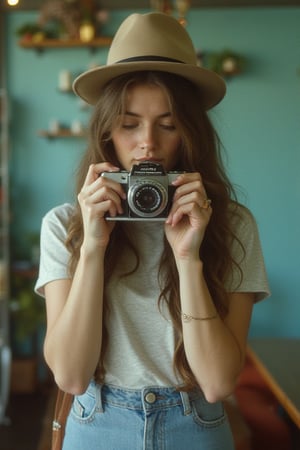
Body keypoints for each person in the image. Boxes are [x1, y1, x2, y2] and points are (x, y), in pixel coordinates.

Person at [35, 12, 270, 450]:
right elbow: (70, 374)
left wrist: (188, 258)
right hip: (98, 422)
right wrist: (92, 248)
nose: (148, 143)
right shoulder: (65, 224)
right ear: (107, 132)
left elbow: (218, 383)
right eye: (129, 125)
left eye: (167, 124)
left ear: (191, 132)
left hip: (196, 423)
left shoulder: (231, 224)